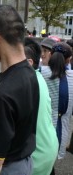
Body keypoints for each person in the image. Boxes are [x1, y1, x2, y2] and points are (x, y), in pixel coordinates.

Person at [0, 4, 39, 175]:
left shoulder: (3, 95)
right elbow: (17, 115)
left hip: (9, 169)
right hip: (26, 163)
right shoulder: (29, 72)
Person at [24, 37, 58, 175]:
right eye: (42, 50)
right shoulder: (38, 76)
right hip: (49, 145)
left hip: (37, 156)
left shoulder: (29, 81)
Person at [40, 42, 73, 174]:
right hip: (61, 128)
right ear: (69, 59)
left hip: (42, 127)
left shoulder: (40, 73)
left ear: (51, 55)